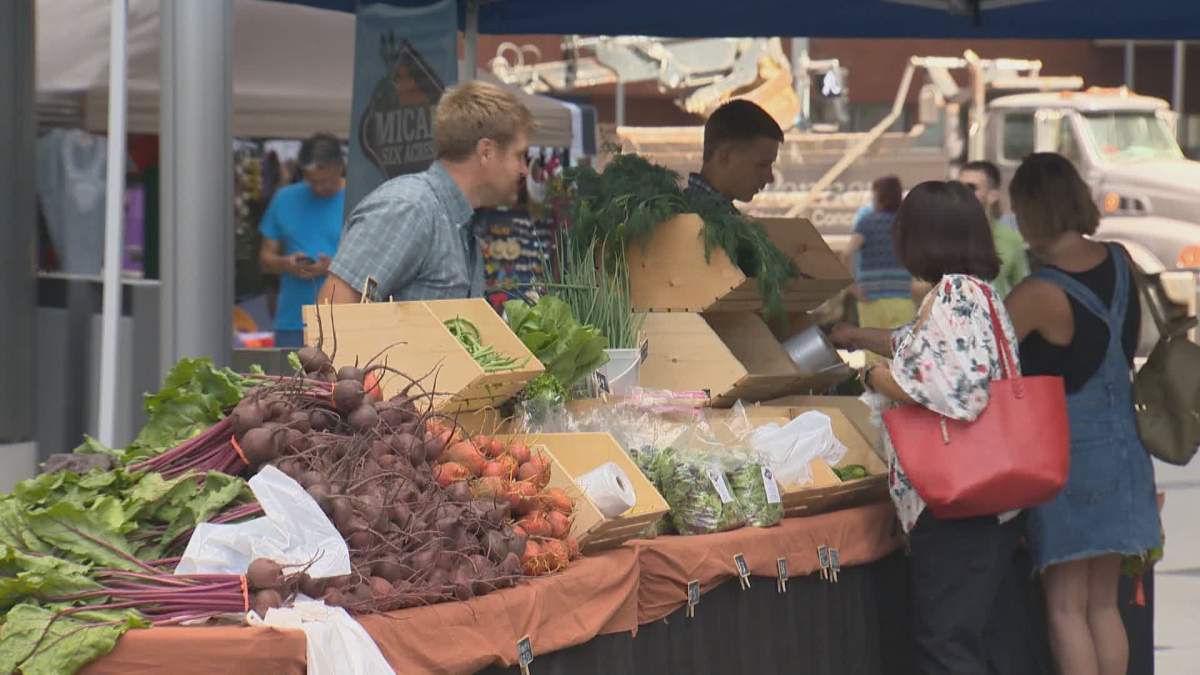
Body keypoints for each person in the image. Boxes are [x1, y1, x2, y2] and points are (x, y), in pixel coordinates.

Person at [831, 182, 1026, 674]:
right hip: (990, 502)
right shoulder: (977, 293)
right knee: (981, 638)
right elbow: (926, 349)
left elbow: (956, 390)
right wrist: (858, 336)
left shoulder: (954, 293)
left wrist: (868, 372)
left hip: (957, 501)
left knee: (946, 643)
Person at [1004, 153, 1160, 675]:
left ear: (1030, 211)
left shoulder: (1036, 293)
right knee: (1102, 603)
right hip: (1124, 448)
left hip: (1067, 455)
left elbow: (979, 355)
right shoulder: (1121, 262)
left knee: (1065, 606)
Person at [318, 80, 533, 304]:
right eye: (519, 156)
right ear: (486, 152)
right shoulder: (410, 208)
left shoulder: (456, 221)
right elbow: (334, 314)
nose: (524, 170)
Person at [258, 133, 346, 348]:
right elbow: (265, 259)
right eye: (312, 181)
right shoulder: (284, 199)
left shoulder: (358, 198)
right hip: (292, 321)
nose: (318, 188)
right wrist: (286, 264)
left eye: (326, 181)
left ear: (340, 168)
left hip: (343, 320)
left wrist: (332, 267)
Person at [842, 176, 915, 344]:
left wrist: (851, 287)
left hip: (870, 298)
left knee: (873, 350)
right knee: (903, 349)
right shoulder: (905, 224)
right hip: (901, 297)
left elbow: (847, 253)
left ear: (879, 196)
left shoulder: (866, 223)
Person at [682, 99, 783, 209]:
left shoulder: (689, 212)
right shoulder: (685, 216)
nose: (770, 178)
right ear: (725, 156)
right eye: (762, 164)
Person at [958, 160, 1029, 298]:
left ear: (993, 195)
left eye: (971, 187)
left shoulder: (1011, 239)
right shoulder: (943, 235)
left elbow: (1023, 290)